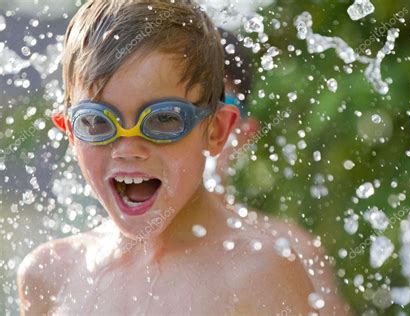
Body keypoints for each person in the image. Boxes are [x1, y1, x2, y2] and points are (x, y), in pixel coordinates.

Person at [16, 0, 316, 315]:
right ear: (71, 134)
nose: (128, 148)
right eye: (97, 122)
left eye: (163, 120)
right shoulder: (49, 274)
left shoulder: (256, 274)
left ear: (216, 130)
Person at [216, 29, 351, 314]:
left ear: (245, 133)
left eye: (219, 111)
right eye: (174, 115)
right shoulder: (100, 258)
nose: (200, 127)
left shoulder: (291, 249)